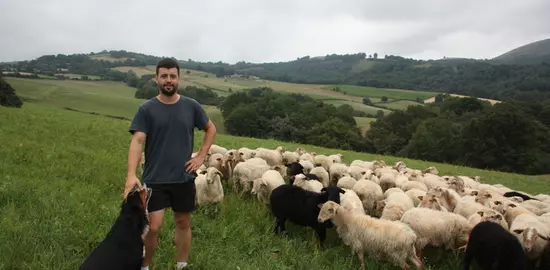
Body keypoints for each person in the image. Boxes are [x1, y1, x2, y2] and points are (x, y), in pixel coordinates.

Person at [123, 58, 217, 270]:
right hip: (155, 178)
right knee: (153, 227)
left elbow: (210, 129)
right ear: (156, 78)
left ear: (178, 79)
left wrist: (201, 156)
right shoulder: (146, 109)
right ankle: (145, 266)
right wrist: (131, 174)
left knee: (183, 222)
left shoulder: (191, 106)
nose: (168, 80)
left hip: (183, 177)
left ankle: (181, 265)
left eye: (172, 76)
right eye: (164, 76)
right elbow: (137, 141)